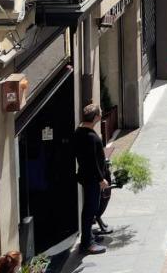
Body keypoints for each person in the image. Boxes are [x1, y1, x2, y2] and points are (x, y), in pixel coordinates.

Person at [72, 104, 110, 256]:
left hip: (86, 177)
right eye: (99, 114)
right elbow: (92, 161)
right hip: (92, 180)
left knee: (89, 209)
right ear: (95, 117)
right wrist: (101, 179)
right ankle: (87, 244)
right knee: (90, 210)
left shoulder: (79, 132)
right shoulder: (90, 137)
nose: (101, 116)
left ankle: (89, 237)